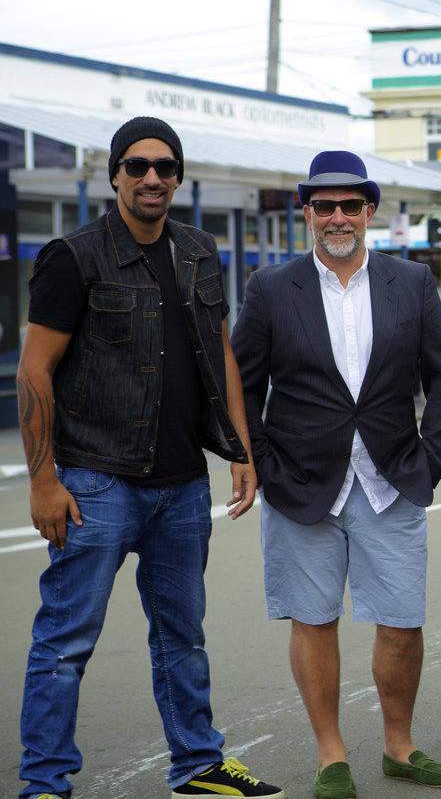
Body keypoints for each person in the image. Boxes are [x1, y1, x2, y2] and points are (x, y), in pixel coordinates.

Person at [17, 116, 281, 798]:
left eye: (165, 167)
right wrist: (44, 480)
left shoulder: (197, 251)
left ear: (178, 177)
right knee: (66, 642)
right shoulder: (74, 256)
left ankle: (197, 765)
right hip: (95, 479)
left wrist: (240, 448)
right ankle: (45, 780)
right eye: (137, 166)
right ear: (115, 175)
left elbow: (219, 350)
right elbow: (34, 369)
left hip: (181, 486)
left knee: (182, 637)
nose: (152, 177)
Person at [231, 151, 441, 798]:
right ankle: (332, 753)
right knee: (313, 617)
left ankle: (399, 744)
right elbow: (243, 383)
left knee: (401, 620)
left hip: (390, 476)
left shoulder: (411, 282)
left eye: (351, 205)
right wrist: (253, 455)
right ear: (307, 212)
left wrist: (432, 454)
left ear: (370, 211)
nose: (338, 217)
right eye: (325, 205)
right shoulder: (272, 289)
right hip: (300, 479)